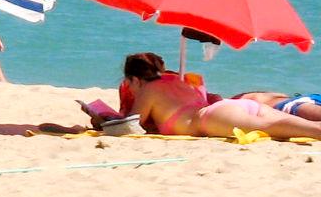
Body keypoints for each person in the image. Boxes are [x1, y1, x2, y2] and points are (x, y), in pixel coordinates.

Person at [119, 53, 318, 141]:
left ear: (135, 79)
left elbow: (131, 125)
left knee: (273, 128)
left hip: (210, 118)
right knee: (293, 122)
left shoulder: (149, 90)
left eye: (129, 84)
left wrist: (103, 120)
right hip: (230, 107)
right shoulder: (180, 81)